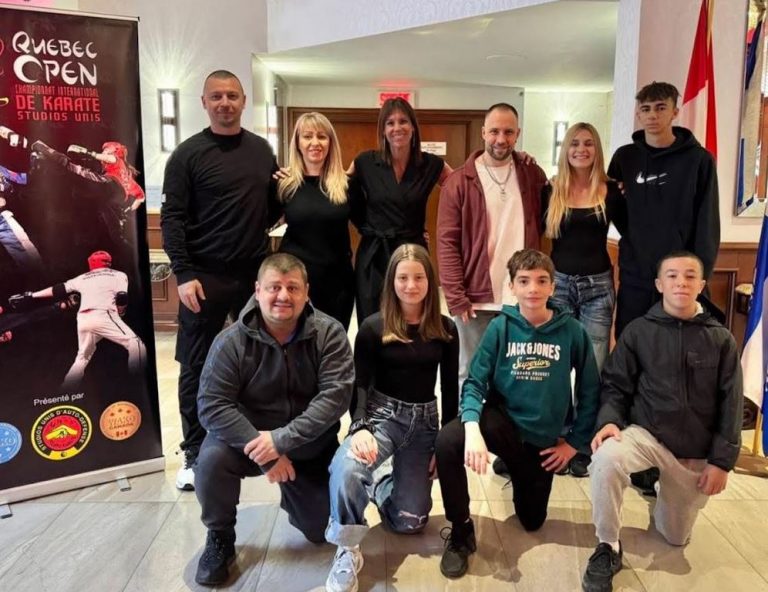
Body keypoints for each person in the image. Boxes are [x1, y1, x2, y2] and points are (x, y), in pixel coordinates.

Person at [581, 251, 742, 592]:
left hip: (694, 450)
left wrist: (721, 462)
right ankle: (608, 545)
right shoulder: (639, 331)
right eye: (672, 275)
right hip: (647, 435)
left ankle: (663, 490)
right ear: (659, 284)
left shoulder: (721, 339)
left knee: (674, 537)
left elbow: (732, 403)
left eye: (689, 276)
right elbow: (615, 384)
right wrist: (609, 421)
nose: (680, 282)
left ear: (702, 284)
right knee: (606, 458)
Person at [435, 249, 600, 579]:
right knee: (448, 441)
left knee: (532, 521)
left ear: (553, 286)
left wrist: (574, 444)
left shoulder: (572, 331)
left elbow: (590, 390)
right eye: (523, 281)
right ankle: (461, 530)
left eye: (541, 281)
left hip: (541, 441)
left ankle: (515, 467)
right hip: (502, 424)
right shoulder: (500, 327)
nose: (532, 289)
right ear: (511, 286)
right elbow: (475, 381)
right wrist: (472, 428)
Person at [192, 253, 354, 587]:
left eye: (292, 287)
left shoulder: (329, 333)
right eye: (274, 287)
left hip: (308, 445)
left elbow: (335, 399)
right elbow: (211, 405)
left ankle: (294, 494)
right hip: (247, 441)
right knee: (210, 460)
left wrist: (281, 441)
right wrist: (266, 452)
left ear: (306, 292)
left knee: (319, 530)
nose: (283, 296)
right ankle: (220, 536)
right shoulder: (231, 341)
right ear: (257, 290)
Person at [161, 69, 279, 490]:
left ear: (244, 101)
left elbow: (271, 208)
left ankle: (256, 440)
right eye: (216, 96)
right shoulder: (187, 155)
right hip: (203, 277)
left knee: (259, 359)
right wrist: (184, 273)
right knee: (196, 364)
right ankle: (194, 452)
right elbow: (172, 218)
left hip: (252, 276)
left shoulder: (262, 150)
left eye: (232, 95)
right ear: (204, 102)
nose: (225, 103)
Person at [324, 243, 458, 592]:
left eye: (418, 277)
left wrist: (444, 446)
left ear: (429, 281)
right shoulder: (372, 327)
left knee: (410, 522)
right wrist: (359, 426)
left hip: (425, 422)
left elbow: (450, 391)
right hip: (381, 416)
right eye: (403, 278)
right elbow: (360, 384)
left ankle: (382, 481)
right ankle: (347, 547)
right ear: (391, 282)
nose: (411, 285)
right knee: (347, 469)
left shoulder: (445, 329)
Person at [437, 102, 548, 388]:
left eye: (509, 132)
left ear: (518, 134)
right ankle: (470, 419)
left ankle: (508, 420)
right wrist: (455, 295)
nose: (501, 139)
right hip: (476, 300)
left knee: (519, 374)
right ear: (483, 132)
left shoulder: (532, 175)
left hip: (522, 297)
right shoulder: (459, 182)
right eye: (495, 131)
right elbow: (447, 243)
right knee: (471, 373)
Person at [540, 122, 626, 478]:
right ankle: (559, 437)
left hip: (597, 288)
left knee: (593, 368)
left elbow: (632, 233)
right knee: (558, 365)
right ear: (566, 149)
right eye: (574, 143)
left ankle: (584, 442)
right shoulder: (551, 190)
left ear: (597, 149)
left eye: (588, 143)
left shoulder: (611, 191)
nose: (581, 149)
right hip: (558, 286)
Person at [608, 81, 720, 338]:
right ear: (638, 114)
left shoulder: (699, 160)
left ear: (674, 112)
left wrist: (697, 276)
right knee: (630, 341)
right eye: (646, 109)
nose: (653, 115)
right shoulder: (625, 158)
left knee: (677, 346)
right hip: (636, 275)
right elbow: (614, 206)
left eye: (660, 108)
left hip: (678, 278)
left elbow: (708, 222)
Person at [350, 97, 452, 324]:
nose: (397, 128)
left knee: (412, 319)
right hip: (374, 255)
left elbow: (462, 187)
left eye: (403, 121)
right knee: (373, 322)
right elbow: (337, 186)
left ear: (413, 127)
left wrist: (514, 159)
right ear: (383, 129)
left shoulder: (431, 164)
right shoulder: (365, 162)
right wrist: (296, 174)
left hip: (412, 253)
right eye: (390, 122)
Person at [9, 250, 146, 386]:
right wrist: (121, 312)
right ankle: (137, 383)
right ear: (109, 262)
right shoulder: (118, 274)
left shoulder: (82, 278)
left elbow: (57, 289)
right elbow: (122, 296)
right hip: (103, 314)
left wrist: (31, 295)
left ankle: (67, 389)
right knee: (136, 343)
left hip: (83, 318)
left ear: (91, 263)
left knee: (82, 358)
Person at [276, 112, 354, 330]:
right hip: (294, 282)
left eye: (321, 136)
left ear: (330, 143)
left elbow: (369, 224)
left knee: (332, 343)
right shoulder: (284, 184)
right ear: (298, 143)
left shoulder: (347, 185)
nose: (315, 143)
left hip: (337, 283)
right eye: (307, 136)